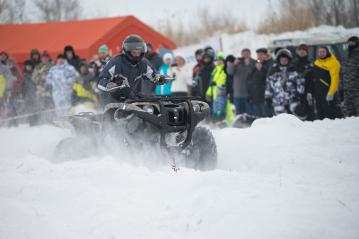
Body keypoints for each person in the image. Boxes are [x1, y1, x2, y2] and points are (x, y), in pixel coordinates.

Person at [97, 34, 159, 104]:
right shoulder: (116, 62)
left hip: (133, 99)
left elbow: (153, 75)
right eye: (134, 52)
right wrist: (108, 85)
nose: (137, 55)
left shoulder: (143, 63)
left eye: (139, 52)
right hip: (112, 100)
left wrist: (160, 78)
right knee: (113, 113)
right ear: (127, 52)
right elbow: (100, 81)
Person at [265, 49, 305, 115]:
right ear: (279, 60)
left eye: (285, 60)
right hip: (278, 103)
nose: (283, 61)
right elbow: (269, 86)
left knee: (295, 121)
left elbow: (301, 87)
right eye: (282, 60)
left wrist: (301, 95)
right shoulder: (273, 71)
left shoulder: (294, 71)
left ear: (289, 60)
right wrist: (268, 98)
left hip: (293, 102)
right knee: (280, 122)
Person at [311, 46, 341, 120]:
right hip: (318, 93)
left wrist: (331, 93)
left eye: (323, 52)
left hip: (327, 92)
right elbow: (313, 78)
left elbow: (335, 79)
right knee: (320, 114)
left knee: (329, 114)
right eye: (319, 52)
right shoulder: (317, 62)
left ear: (327, 52)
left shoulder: (333, 62)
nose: (321, 53)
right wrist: (310, 91)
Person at [227, 48, 255, 115]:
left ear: (250, 54)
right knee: (239, 114)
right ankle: (240, 125)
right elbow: (229, 72)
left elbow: (253, 73)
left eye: (247, 54)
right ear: (241, 54)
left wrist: (248, 65)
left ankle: (251, 125)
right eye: (244, 54)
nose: (245, 55)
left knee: (249, 114)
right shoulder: (237, 62)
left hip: (248, 94)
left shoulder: (253, 62)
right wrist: (234, 64)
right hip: (237, 93)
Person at [248, 48, 273, 117]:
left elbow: (270, 76)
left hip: (264, 96)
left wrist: (262, 69)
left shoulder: (270, 63)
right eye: (258, 55)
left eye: (261, 55)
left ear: (266, 55)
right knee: (258, 117)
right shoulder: (256, 64)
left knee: (266, 116)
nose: (259, 56)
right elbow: (250, 79)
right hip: (255, 95)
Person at [292, 44, 314, 120]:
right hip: (295, 93)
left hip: (306, 92)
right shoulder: (293, 63)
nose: (302, 52)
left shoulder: (310, 65)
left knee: (308, 111)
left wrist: (310, 92)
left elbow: (312, 80)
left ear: (307, 52)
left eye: (303, 51)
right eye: (300, 51)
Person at [206, 52, 228, 121]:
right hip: (215, 93)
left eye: (220, 59)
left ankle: (222, 122)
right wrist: (208, 93)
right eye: (217, 60)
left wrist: (221, 86)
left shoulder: (224, 68)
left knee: (221, 109)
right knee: (215, 109)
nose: (218, 61)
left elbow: (225, 80)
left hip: (221, 92)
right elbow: (211, 83)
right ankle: (217, 122)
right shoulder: (215, 70)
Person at [342, 36, 359, 117]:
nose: (350, 45)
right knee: (348, 114)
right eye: (349, 43)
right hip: (347, 90)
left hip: (357, 90)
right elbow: (343, 72)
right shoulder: (347, 55)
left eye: (352, 43)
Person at [22, 60, 37, 125]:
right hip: (27, 93)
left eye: (29, 65)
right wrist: (23, 92)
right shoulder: (23, 73)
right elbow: (22, 84)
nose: (28, 67)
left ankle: (36, 120)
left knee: (35, 106)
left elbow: (36, 82)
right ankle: (31, 121)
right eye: (27, 65)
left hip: (34, 92)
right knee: (28, 107)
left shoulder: (35, 72)